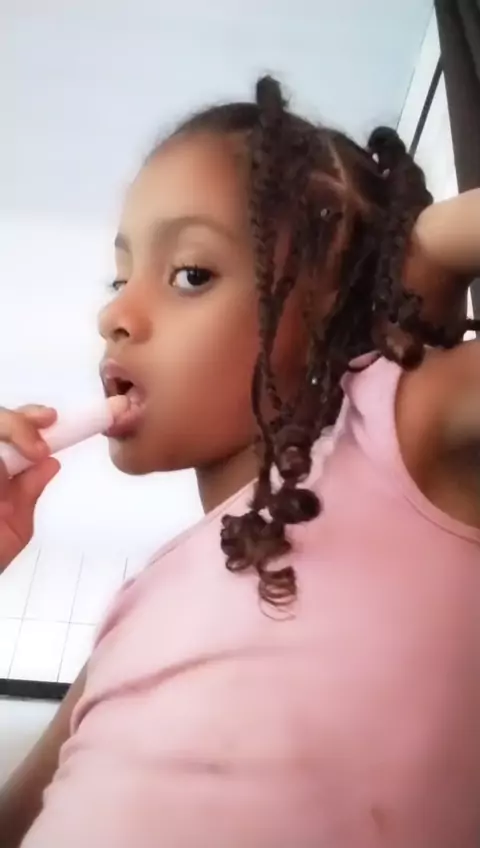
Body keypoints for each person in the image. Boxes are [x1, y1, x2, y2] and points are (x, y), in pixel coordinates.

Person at [0, 76, 479, 847]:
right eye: (121, 278)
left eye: (191, 274)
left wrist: (423, 251)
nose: (113, 313)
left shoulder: (395, 425)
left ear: (332, 300)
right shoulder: (136, 608)